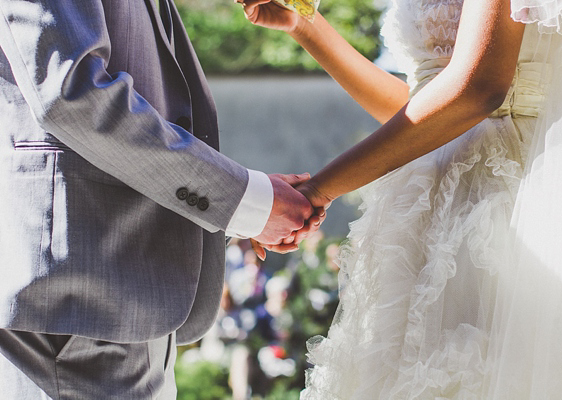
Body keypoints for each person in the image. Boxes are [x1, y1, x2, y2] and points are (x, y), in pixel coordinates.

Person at [244, 0, 562, 398]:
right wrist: (305, 26)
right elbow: (423, 111)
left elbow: (478, 91)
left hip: (501, 214)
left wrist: (317, 189)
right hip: (424, 222)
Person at [0, 0, 325, 398]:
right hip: (73, 311)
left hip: (129, 302)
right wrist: (244, 201)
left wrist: (249, 203)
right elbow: (70, 90)